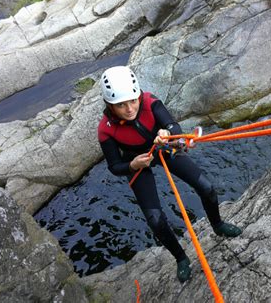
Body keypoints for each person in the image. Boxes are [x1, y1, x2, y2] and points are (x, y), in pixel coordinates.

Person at [97, 66, 242, 282]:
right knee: (155, 220)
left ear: (138, 95)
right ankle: (181, 258)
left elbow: (173, 125)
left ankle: (218, 225)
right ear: (110, 105)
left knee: (206, 187)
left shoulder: (149, 101)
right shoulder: (105, 129)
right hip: (138, 161)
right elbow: (114, 166)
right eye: (121, 105)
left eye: (132, 100)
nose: (129, 109)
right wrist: (133, 165)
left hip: (165, 147)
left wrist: (167, 133)